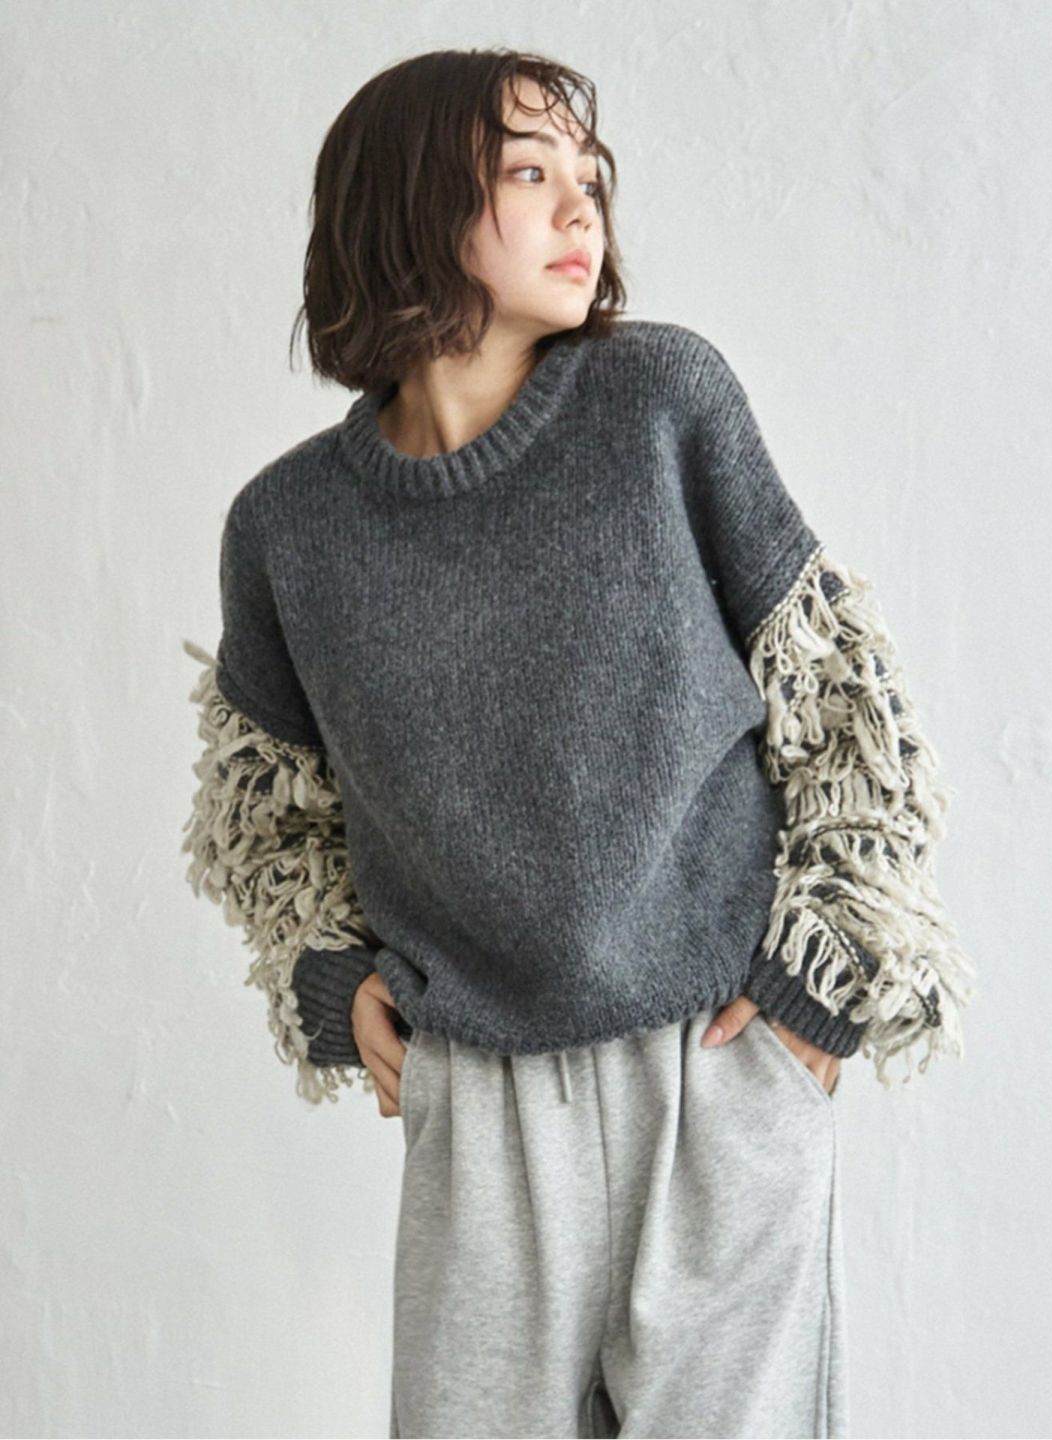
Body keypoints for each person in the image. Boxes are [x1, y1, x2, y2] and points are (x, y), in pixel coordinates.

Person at [181, 46, 976, 1440]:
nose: (580, 211)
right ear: (408, 207)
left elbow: (844, 702)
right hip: (481, 1108)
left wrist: (823, 988)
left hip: (719, 1065)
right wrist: (333, 981)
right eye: (529, 174)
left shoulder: (662, 402)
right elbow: (264, 816)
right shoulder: (288, 531)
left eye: (591, 180)